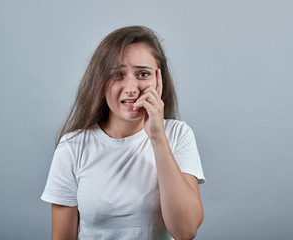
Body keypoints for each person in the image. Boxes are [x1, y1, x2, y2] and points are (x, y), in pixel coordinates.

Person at [41, 25, 205, 240]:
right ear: (100, 81)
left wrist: (157, 138)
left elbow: (186, 231)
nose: (131, 88)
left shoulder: (177, 135)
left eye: (143, 74)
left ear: (159, 80)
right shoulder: (72, 145)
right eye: (117, 74)